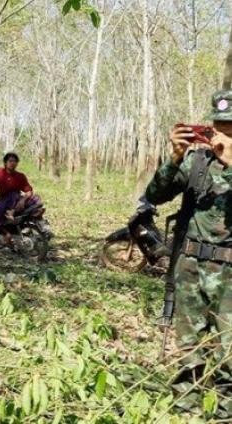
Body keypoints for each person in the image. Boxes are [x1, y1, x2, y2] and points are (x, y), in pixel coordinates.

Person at [144, 90, 232, 418]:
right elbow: (154, 194)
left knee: (230, 356)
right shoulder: (197, 162)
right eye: (218, 126)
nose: (224, 133)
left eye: (231, 126)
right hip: (192, 268)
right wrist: (175, 157)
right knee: (189, 352)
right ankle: (185, 411)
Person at [0, 153, 45, 243]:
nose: (13, 163)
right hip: (4, 200)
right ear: (5, 162)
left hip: (16, 199)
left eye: (15, 161)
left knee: (31, 198)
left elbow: (28, 191)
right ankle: (5, 232)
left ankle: (12, 217)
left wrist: (22, 200)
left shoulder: (20, 176)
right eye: (10, 161)